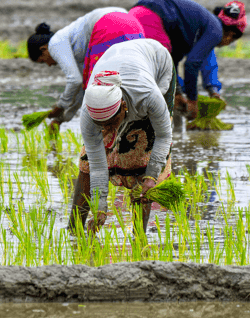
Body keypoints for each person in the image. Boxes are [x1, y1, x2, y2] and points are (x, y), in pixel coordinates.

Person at [71, 38, 176, 233]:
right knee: (87, 159)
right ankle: (74, 228)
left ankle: (139, 235)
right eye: (100, 125)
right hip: (117, 58)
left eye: (110, 123)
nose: (107, 129)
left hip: (157, 64)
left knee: (143, 153)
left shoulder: (148, 96)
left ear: (124, 107)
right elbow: (98, 166)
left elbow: (163, 136)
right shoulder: (88, 113)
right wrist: (99, 207)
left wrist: (151, 177)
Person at [128, 0, 246, 119]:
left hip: (135, 14)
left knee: (149, 74)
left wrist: (177, 93)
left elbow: (172, 62)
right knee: (155, 78)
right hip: (153, 17)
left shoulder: (195, 29)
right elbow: (191, 64)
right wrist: (192, 100)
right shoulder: (216, 31)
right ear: (231, 36)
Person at [26, 8, 144, 129]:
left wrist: (60, 106)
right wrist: (60, 119)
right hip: (133, 23)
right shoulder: (75, 48)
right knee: (128, 80)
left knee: (99, 90)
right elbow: (81, 88)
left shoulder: (54, 44)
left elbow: (75, 80)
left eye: (43, 61)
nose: (49, 65)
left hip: (109, 25)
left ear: (43, 49)